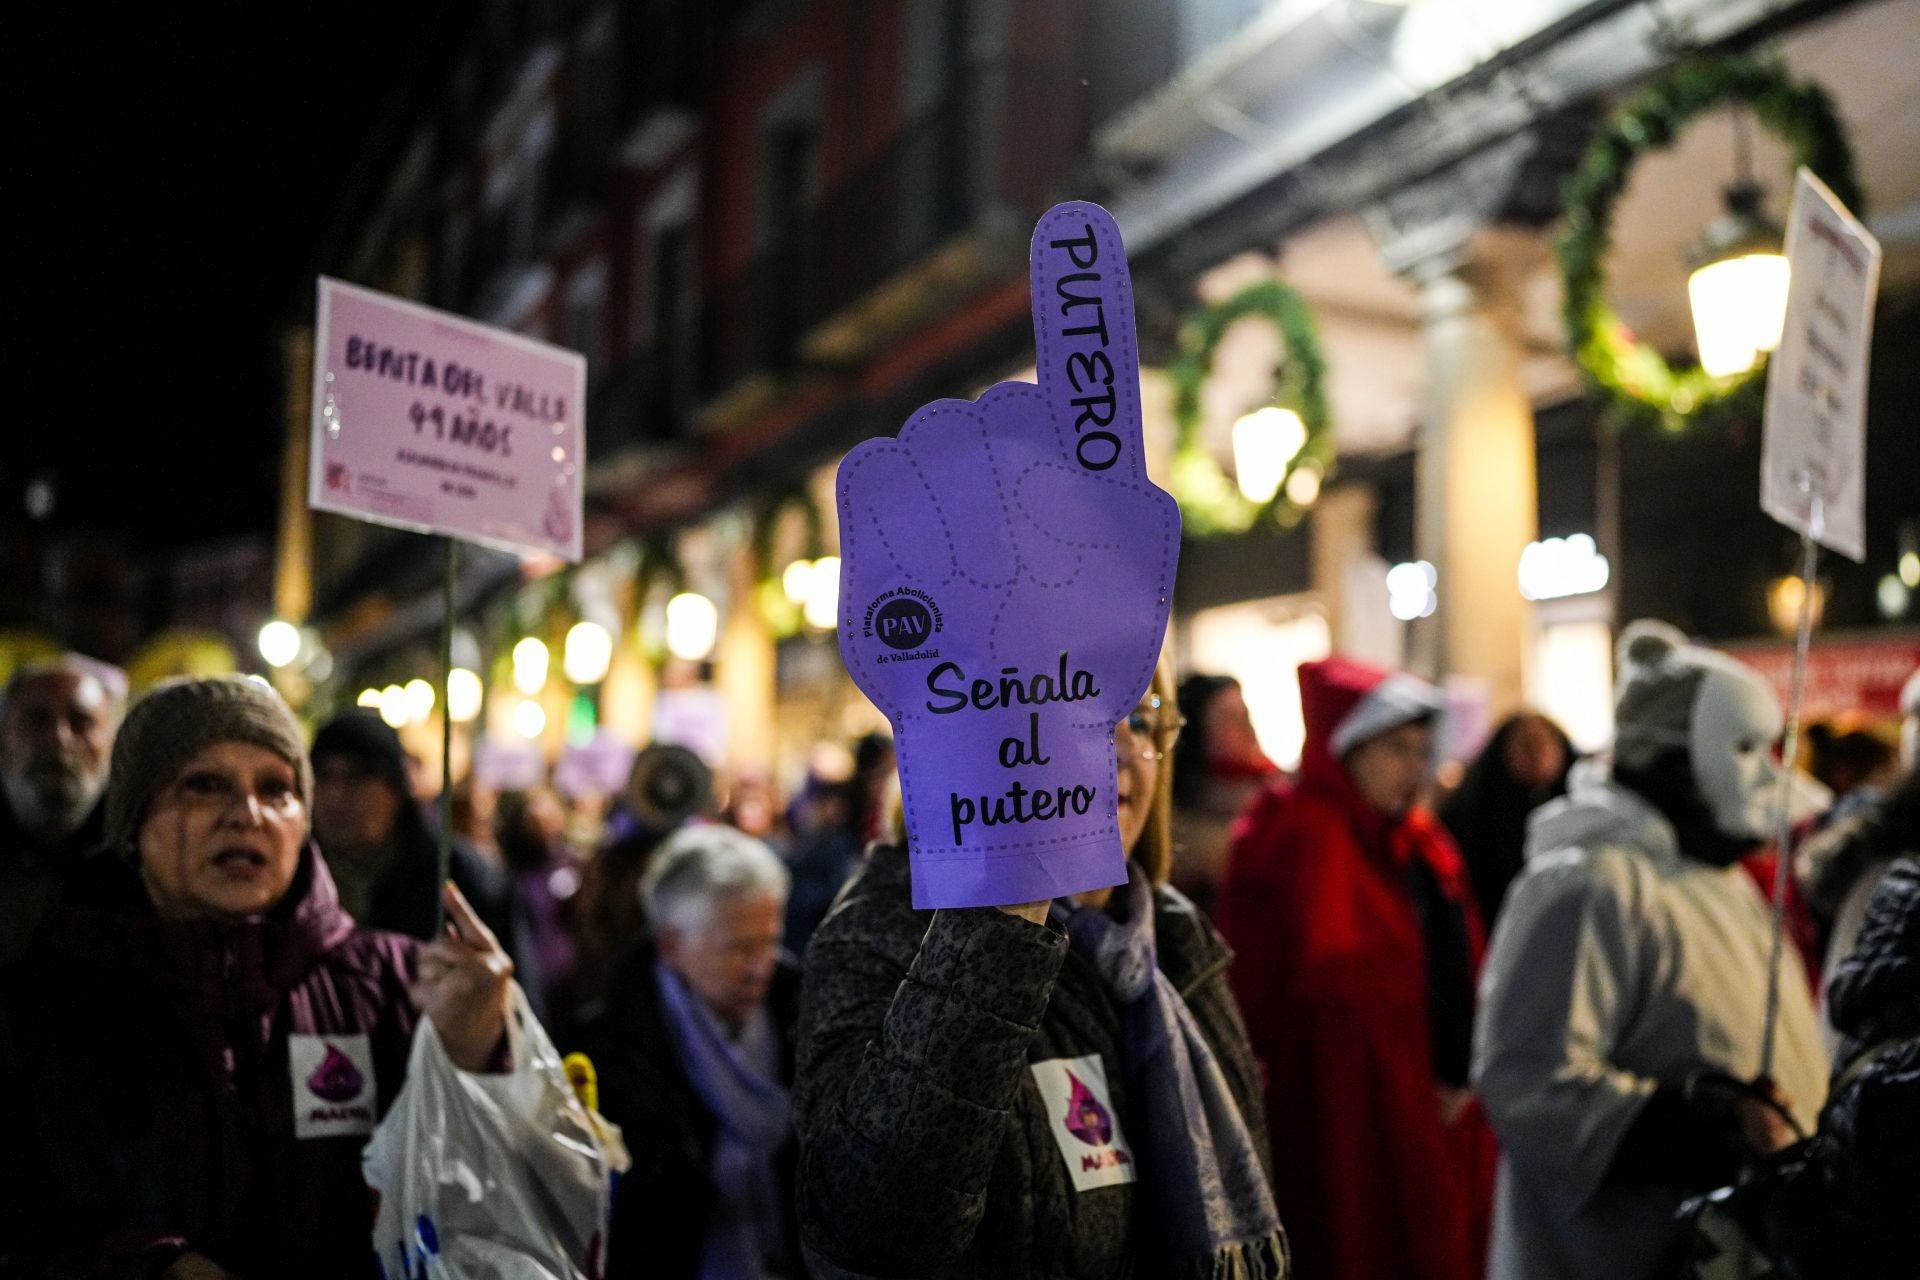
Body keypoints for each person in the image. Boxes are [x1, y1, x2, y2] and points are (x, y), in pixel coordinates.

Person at [0, 675, 514, 1278]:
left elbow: (493, 1205)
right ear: (135, 820)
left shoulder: (397, 986)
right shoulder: (47, 1003)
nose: (246, 815)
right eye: (203, 785)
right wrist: (142, 1268)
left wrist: (480, 1059)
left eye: (276, 789)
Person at [794, 661, 1288, 1278]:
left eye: (1142, 720)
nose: (1124, 747)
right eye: (1080, 714)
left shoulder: (1177, 938)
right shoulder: (881, 931)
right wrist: (1009, 913)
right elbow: (869, 1227)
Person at [1473, 622, 1830, 1280]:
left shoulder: (1720, 879)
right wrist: (1697, 1125)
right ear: (1673, 758)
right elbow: (1527, 1081)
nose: (1766, 773)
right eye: (1743, 748)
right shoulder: (1588, 885)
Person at [1219, 656, 1492, 1280]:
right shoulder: (1297, 835)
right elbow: (1262, 987)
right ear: (1348, 751)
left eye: (1420, 750)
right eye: (1395, 749)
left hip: (1425, 1105)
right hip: (1340, 1114)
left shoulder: (1418, 842)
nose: (1414, 768)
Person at [567, 825, 799, 1280]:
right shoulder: (608, 1051)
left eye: (771, 941)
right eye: (739, 948)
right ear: (671, 945)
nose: (761, 968)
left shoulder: (802, 1012)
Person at [307, 708, 509, 944]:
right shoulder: (296, 877)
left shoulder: (459, 875)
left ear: (396, 791)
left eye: (357, 778)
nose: (336, 795)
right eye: (324, 776)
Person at [0, 655, 124, 961]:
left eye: (81, 722)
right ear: (3, 738)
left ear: (112, 743)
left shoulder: (141, 859)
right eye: (36, 720)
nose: (58, 738)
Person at [1438, 710, 1574, 928]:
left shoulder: (1578, 810)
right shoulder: (1475, 812)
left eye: (1546, 744)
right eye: (1526, 744)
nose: (1537, 753)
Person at [1170, 673, 1275, 913]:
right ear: (1197, 731)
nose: (1247, 727)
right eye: (1229, 718)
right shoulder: (1184, 827)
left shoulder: (1275, 790)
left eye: (1246, 715)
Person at [496, 785, 582, 1027]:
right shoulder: (512, 873)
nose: (542, 818)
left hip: (572, 984)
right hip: (531, 981)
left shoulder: (573, 864)